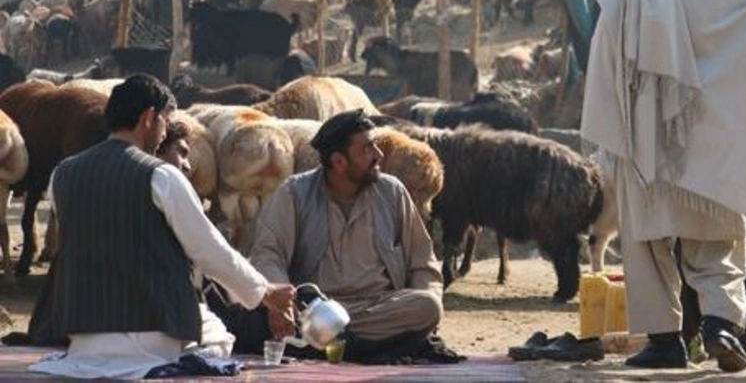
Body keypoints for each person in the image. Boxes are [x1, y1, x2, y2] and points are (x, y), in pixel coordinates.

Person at [582, 0, 746, 372]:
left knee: (646, 239)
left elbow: (606, 46)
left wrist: (619, 120)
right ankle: (719, 326)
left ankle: (666, 340)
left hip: (650, 137)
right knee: (717, 237)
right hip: (717, 139)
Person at [30, 75, 295, 380]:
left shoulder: (63, 175)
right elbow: (209, 251)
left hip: (82, 338)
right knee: (219, 336)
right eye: (165, 122)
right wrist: (265, 292)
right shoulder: (161, 176)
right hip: (154, 339)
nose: (165, 131)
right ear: (148, 118)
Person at [248, 109, 451, 363]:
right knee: (249, 309)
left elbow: (423, 261)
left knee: (427, 306)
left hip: (379, 309)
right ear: (339, 161)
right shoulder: (294, 194)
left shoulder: (393, 192)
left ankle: (324, 341)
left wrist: (430, 305)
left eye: (375, 145)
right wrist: (280, 305)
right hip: (314, 309)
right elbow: (269, 253)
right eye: (367, 149)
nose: (378, 155)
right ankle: (356, 344)